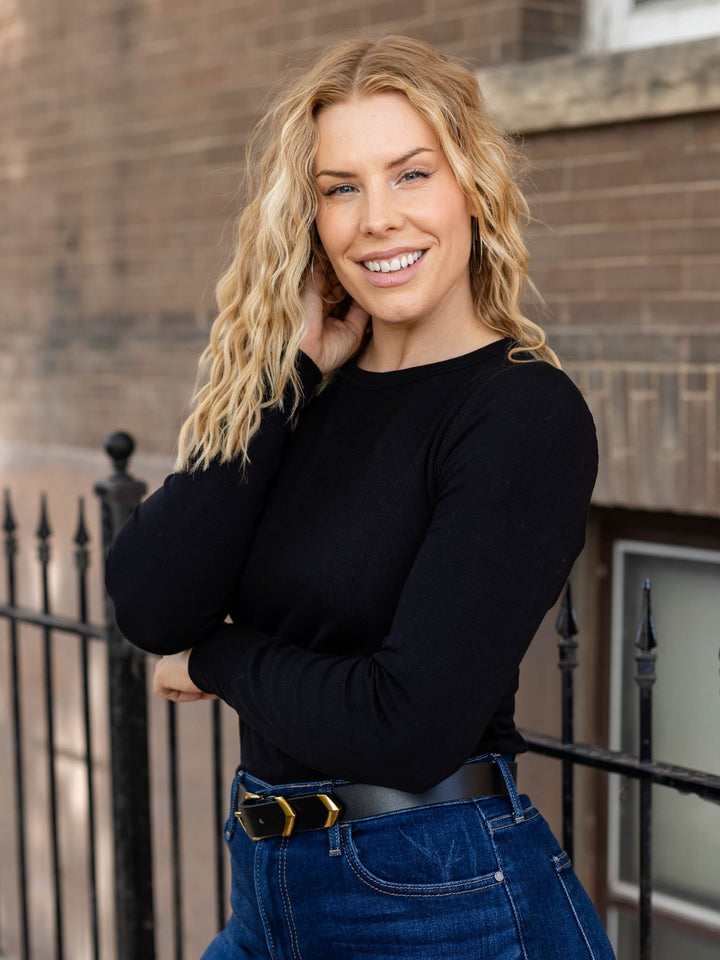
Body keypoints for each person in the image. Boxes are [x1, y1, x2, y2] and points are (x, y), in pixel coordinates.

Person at [105, 34, 616, 960]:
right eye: (341, 188)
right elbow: (149, 602)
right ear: (310, 219)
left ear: (472, 188)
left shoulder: (520, 413)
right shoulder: (307, 397)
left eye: (411, 174)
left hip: (440, 905)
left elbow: (407, 724)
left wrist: (218, 658)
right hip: (268, 893)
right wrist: (287, 375)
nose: (377, 218)